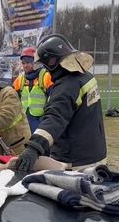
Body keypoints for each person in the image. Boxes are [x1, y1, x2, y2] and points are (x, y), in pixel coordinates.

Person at [15, 34, 107, 172]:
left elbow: (55, 118)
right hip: (95, 153)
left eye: (46, 65)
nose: (45, 69)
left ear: (52, 61)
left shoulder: (67, 86)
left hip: (76, 162)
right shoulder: (85, 76)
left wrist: (33, 148)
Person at [13, 47, 53, 132]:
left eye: (28, 62)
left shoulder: (46, 76)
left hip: (41, 120)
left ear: (35, 62)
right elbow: (12, 98)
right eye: (23, 63)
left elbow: (54, 98)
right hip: (24, 120)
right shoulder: (20, 79)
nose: (25, 65)